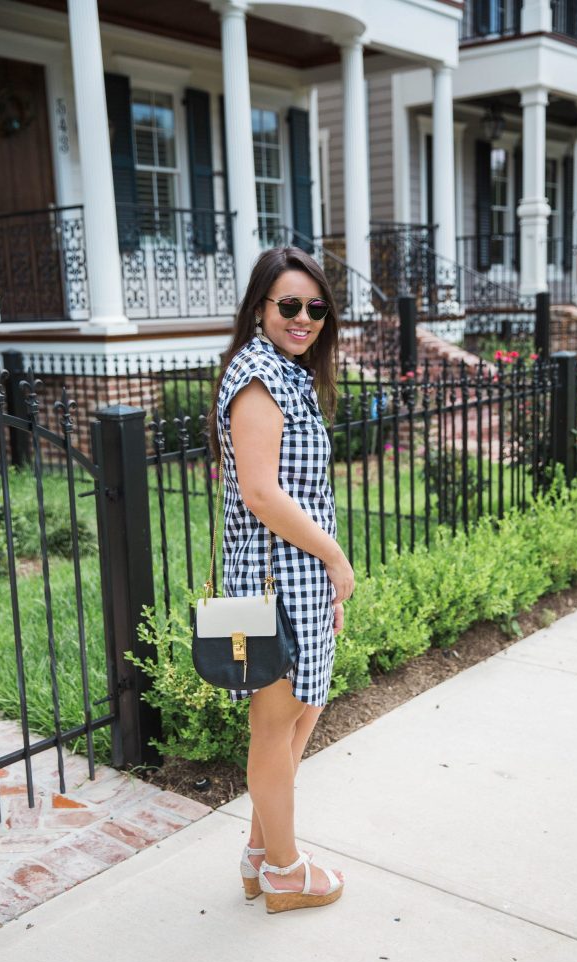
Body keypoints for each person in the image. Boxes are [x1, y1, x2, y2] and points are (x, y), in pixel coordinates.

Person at [207, 246, 355, 913]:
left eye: (315, 307)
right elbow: (261, 494)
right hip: (269, 581)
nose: (303, 318)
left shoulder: (287, 371)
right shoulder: (257, 376)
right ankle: (286, 874)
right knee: (275, 726)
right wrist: (335, 559)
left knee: (303, 712)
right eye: (289, 306)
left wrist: (323, 576)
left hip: (296, 579)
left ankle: (259, 853)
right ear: (260, 308)